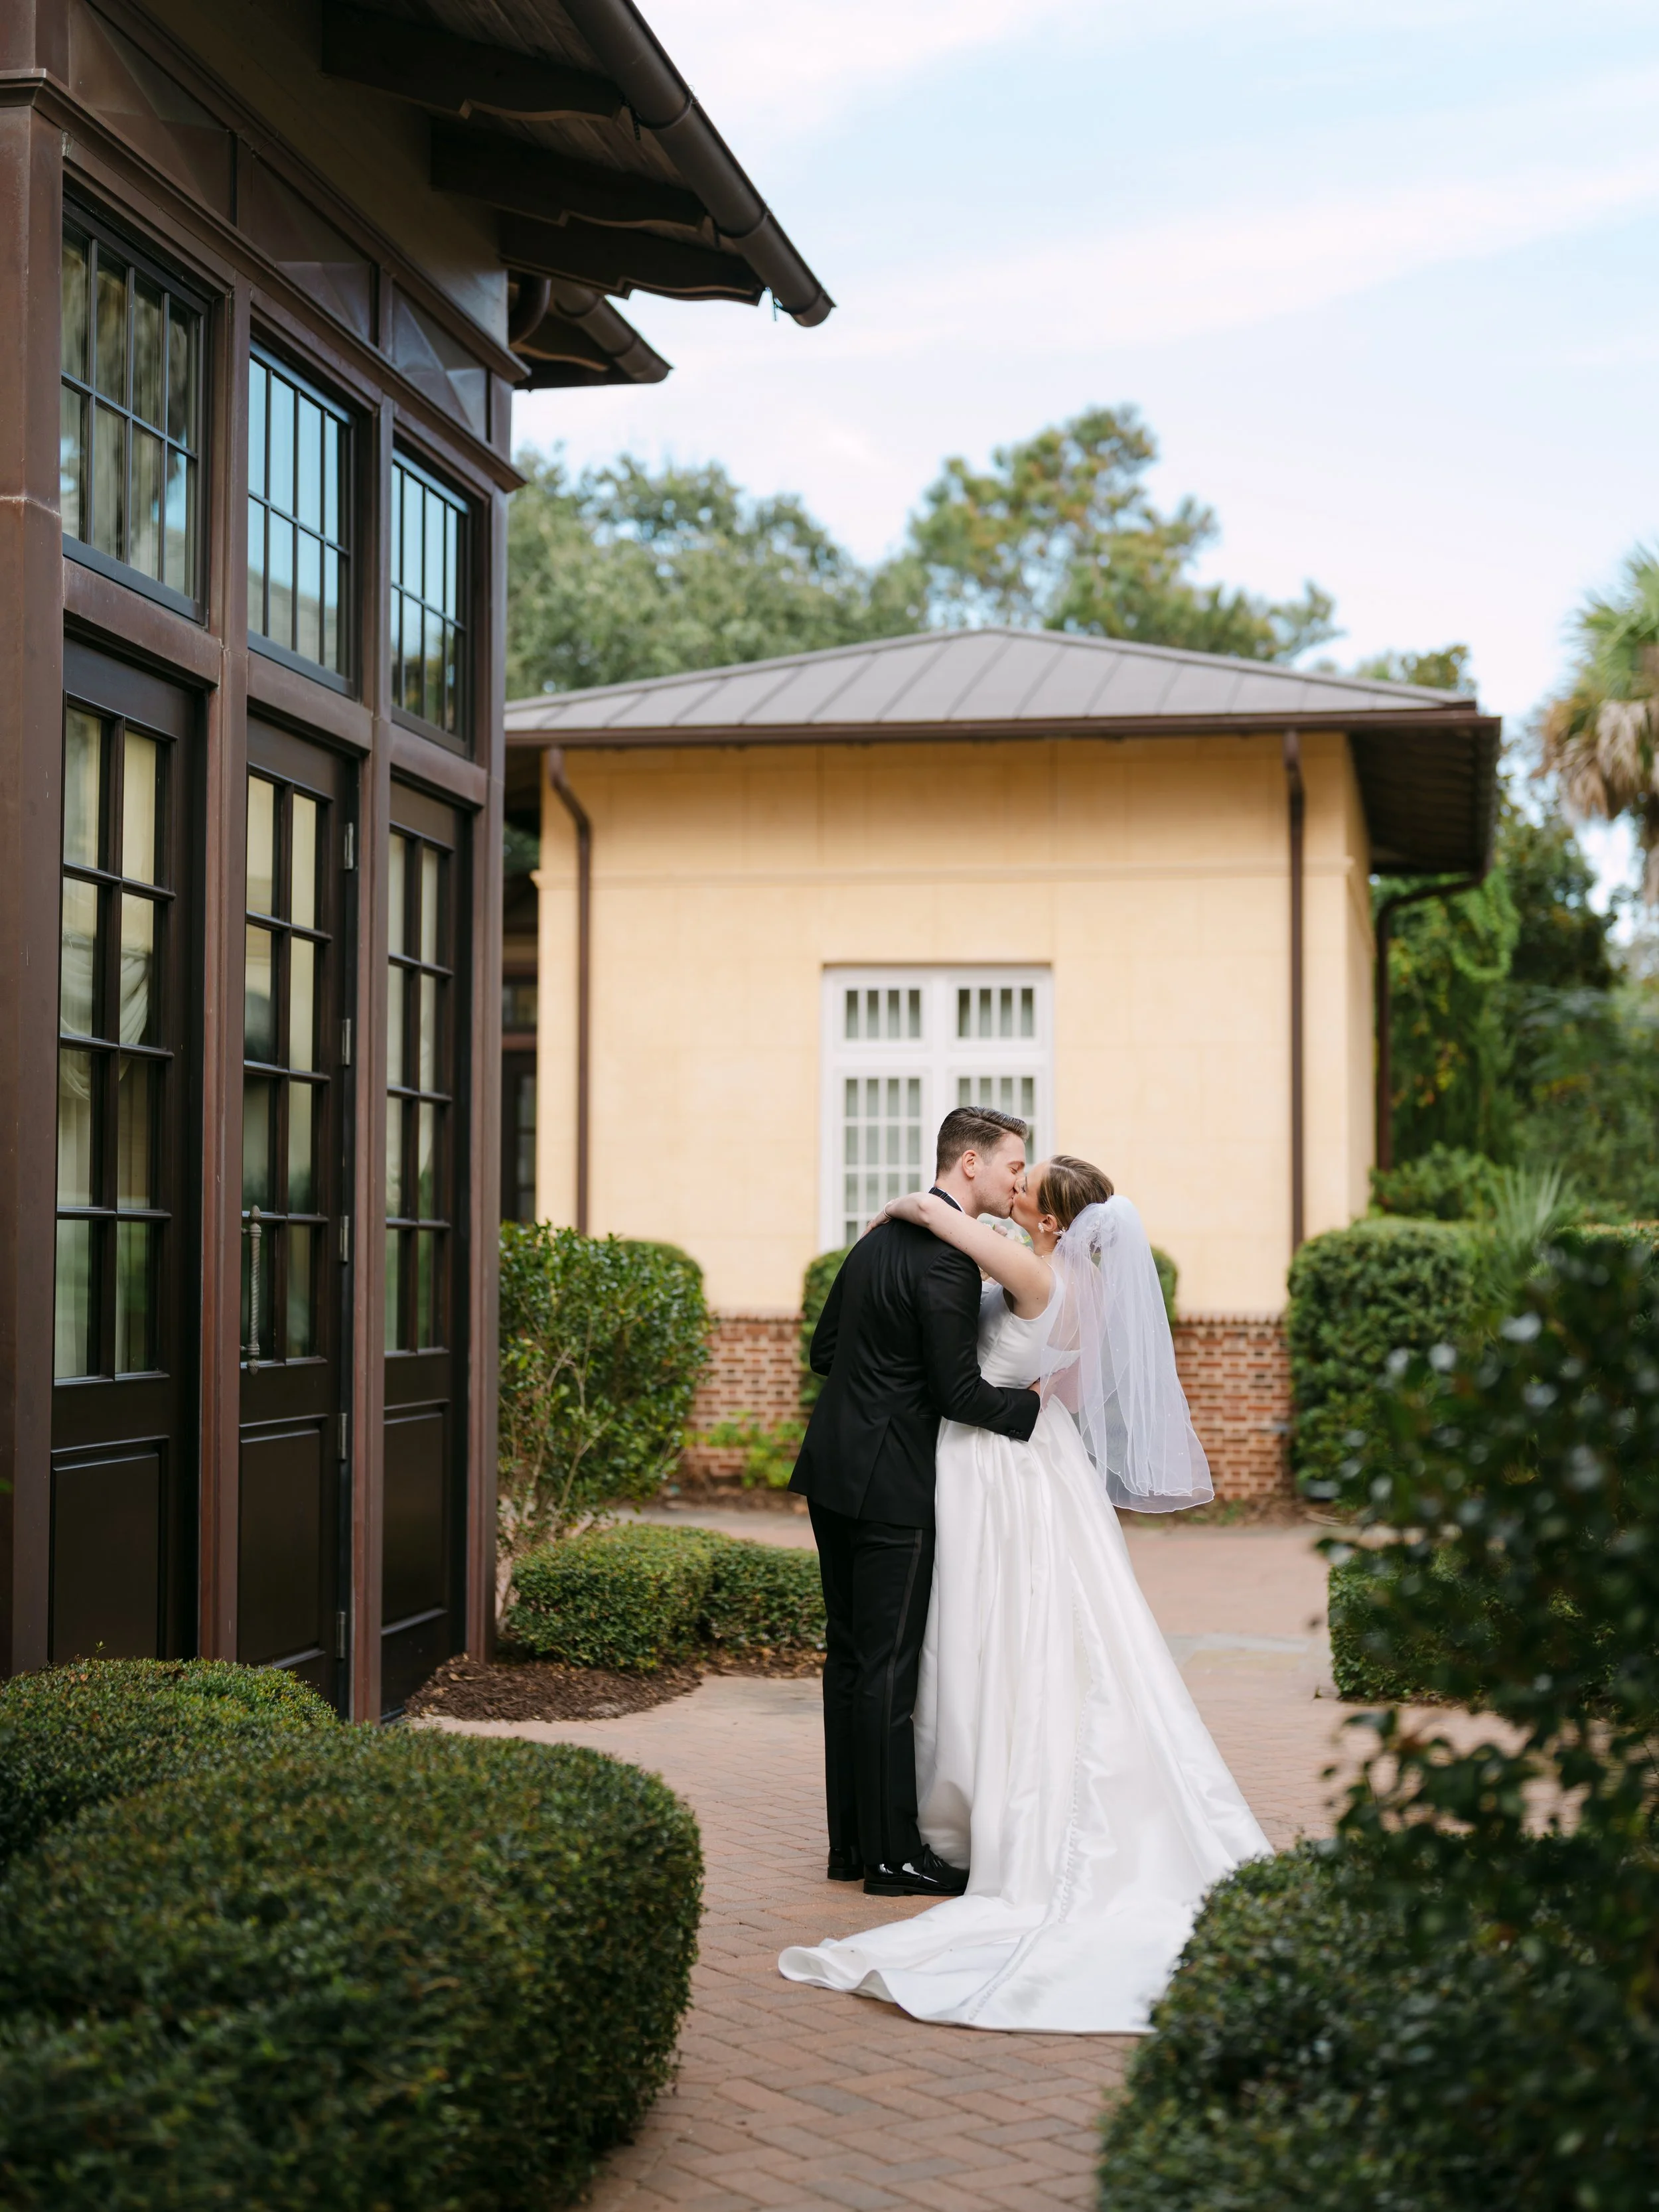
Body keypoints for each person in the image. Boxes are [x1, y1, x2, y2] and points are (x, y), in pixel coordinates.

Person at [780, 1153, 1270, 2032]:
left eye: (1025, 1182)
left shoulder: (1032, 1266)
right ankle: (939, 1805)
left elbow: (945, 1222)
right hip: (1022, 1455)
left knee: (983, 1623)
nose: (1013, 1187)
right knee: (1008, 1625)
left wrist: (902, 1209)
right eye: (1011, 1172)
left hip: (994, 1460)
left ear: (1049, 1218)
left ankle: (953, 1808)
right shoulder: (1057, 1269)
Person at [788, 1106, 1042, 1899]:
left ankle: (852, 1846)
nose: (1018, 1181)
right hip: (891, 1485)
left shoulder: (871, 1243)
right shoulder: (948, 1265)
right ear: (968, 1164)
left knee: (851, 1663)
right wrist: (1036, 1412)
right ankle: (895, 1859)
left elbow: (824, 1351)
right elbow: (959, 1394)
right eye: (1010, 1166)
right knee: (888, 1673)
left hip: (831, 1471)